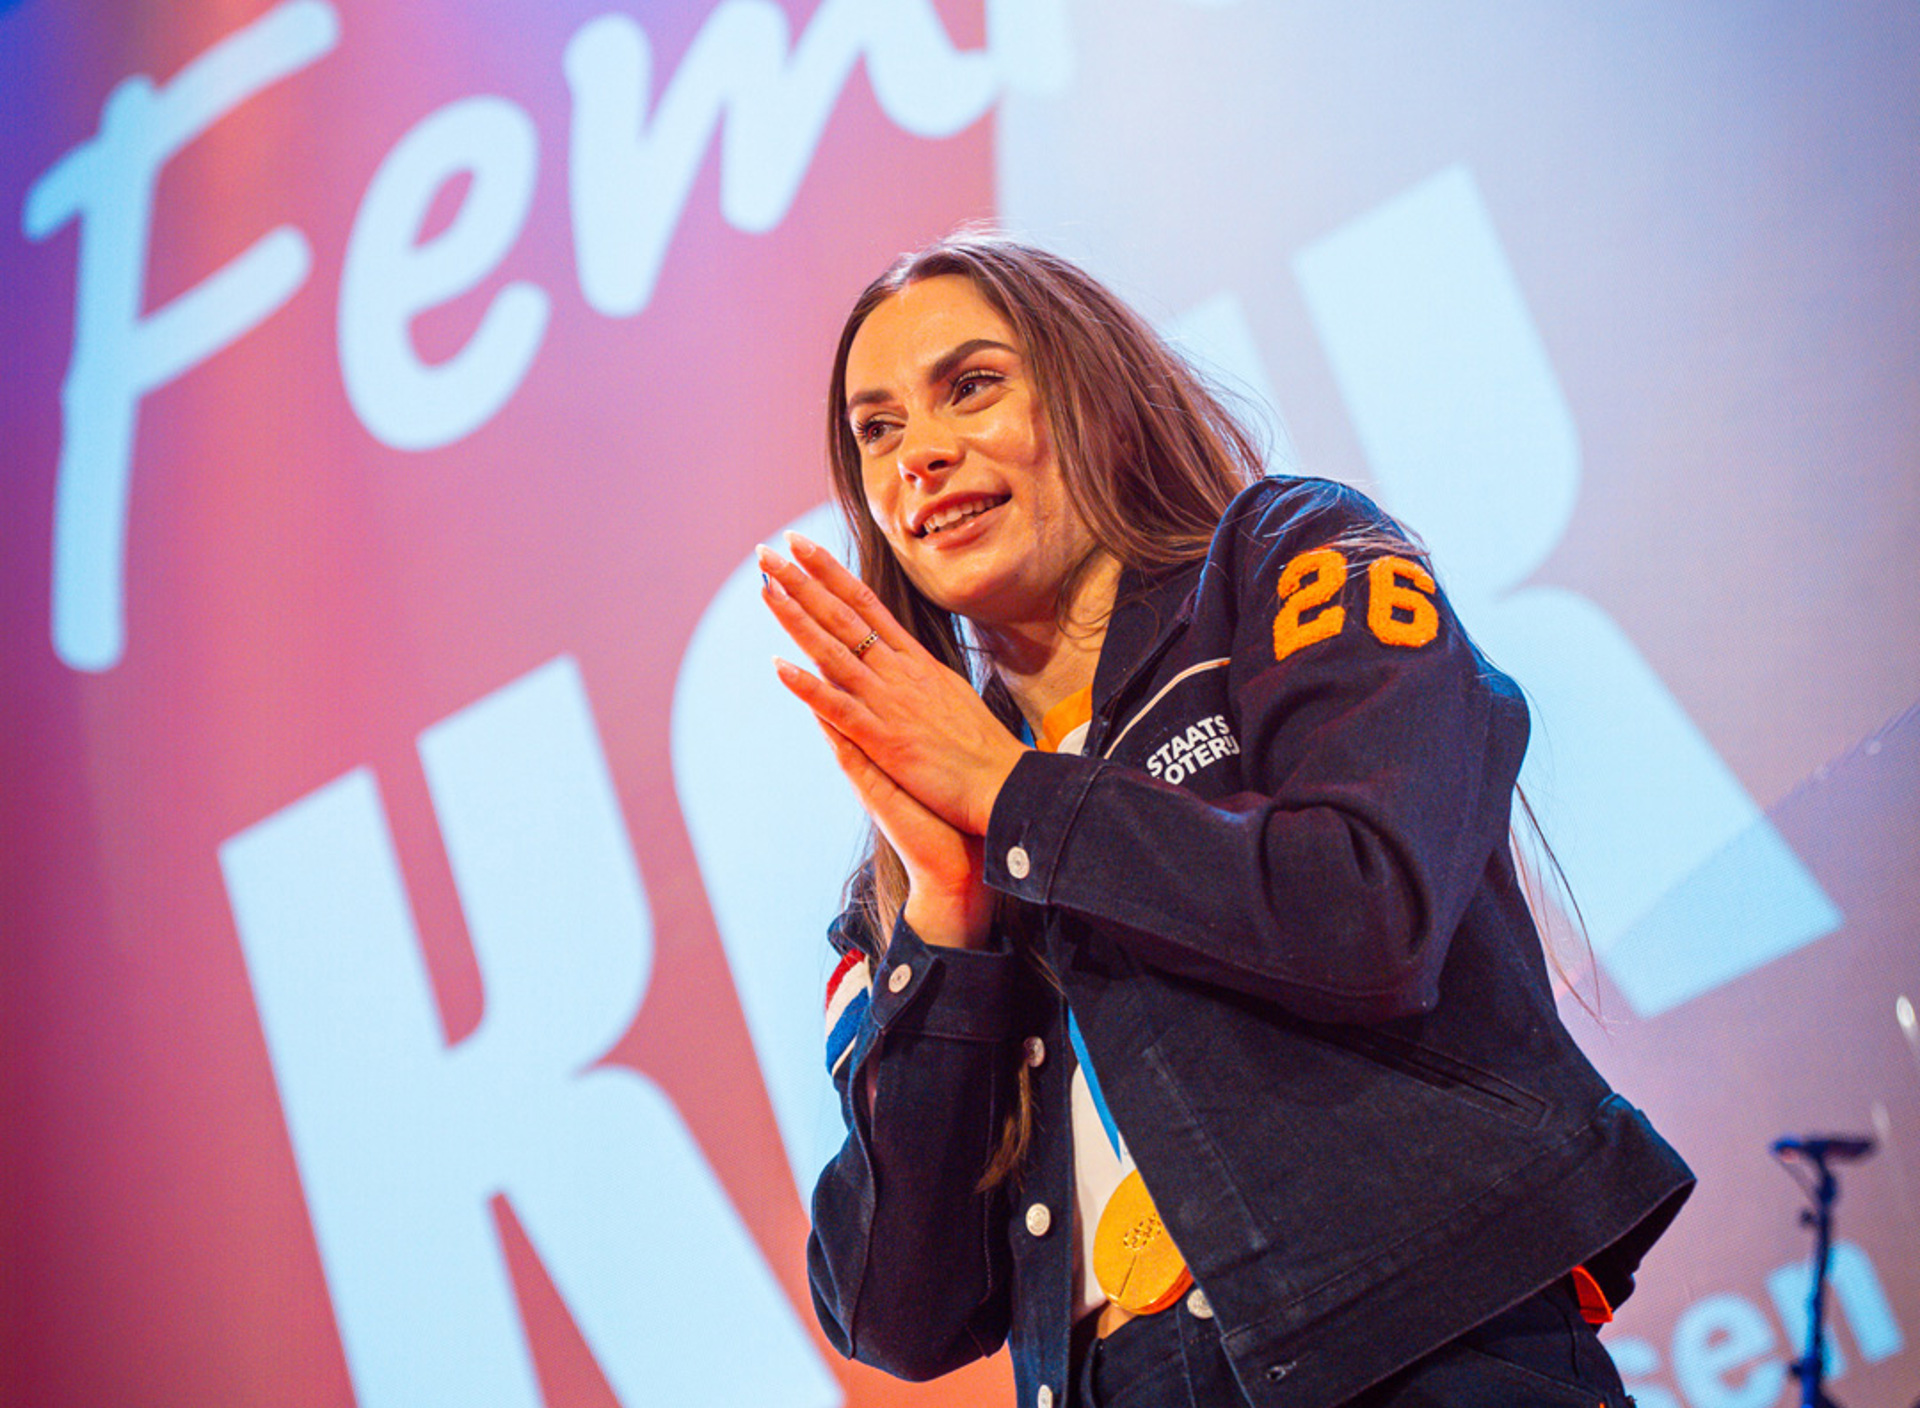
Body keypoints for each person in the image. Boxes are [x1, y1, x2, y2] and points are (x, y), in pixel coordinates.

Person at [757, 232, 1692, 1408]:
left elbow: (1370, 910)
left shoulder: (1290, 559)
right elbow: (899, 1306)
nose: (921, 457)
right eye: (876, 429)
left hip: (1421, 1353)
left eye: (972, 386)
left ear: (1095, 402)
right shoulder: (905, 865)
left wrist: (1018, 798)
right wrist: (949, 924)